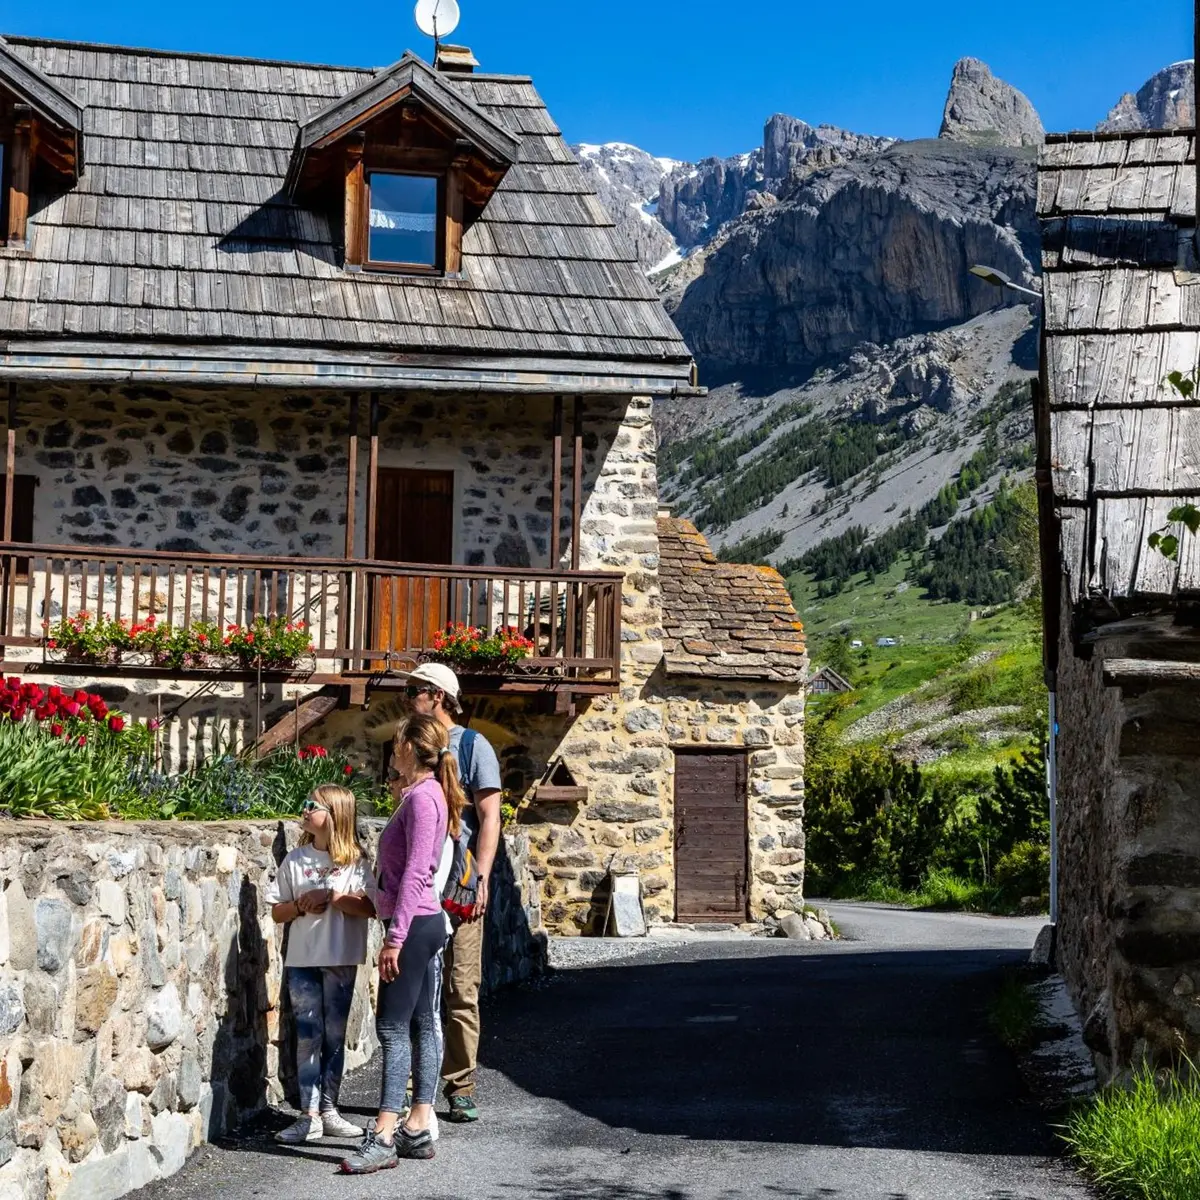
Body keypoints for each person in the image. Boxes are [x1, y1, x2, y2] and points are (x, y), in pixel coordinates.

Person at [339, 714, 466, 1175]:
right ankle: (415, 1127)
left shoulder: (422, 800)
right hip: (420, 923)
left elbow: (417, 872)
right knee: (420, 1025)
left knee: (393, 1029)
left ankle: (386, 1134)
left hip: (412, 927)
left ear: (410, 747)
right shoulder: (425, 795)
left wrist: (395, 938)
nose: (392, 751)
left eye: (396, 744)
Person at [402, 661, 502, 1124]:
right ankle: (409, 1086)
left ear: (438, 695)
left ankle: (459, 1086)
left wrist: (481, 876)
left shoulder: (474, 746)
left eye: (415, 690)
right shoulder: (411, 746)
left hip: (460, 885)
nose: (408, 698)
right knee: (414, 988)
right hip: (421, 882)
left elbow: (489, 818)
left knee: (462, 988)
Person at [266, 784, 376, 1145]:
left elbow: (370, 908)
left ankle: (330, 1108)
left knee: (333, 1036)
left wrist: (332, 896)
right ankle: (309, 1114)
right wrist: (300, 905)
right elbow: (277, 911)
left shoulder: (357, 862)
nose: (304, 809)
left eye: (312, 805)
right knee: (307, 1035)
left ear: (334, 814)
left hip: (341, 957)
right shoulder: (295, 860)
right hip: (303, 959)